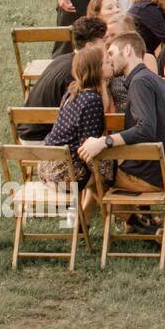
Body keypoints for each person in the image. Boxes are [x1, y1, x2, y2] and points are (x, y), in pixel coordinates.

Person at [78, 32, 165, 233]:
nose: (109, 58)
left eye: (111, 53)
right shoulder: (150, 79)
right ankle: (136, 222)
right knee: (101, 167)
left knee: (89, 174)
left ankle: (138, 224)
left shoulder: (139, 82)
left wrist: (105, 142)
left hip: (155, 173)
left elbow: (145, 129)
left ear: (128, 50)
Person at [37, 46, 113, 220]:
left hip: (46, 166)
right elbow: (87, 147)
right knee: (111, 173)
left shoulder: (73, 91)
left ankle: (83, 221)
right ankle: (135, 220)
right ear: (97, 70)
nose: (110, 62)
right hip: (65, 173)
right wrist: (107, 175)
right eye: (106, 62)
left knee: (102, 173)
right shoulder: (92, 101)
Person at [18, 17, 110, 141]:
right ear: (90, 46)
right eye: (104, 41)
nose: (107, 45)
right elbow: (94, 115)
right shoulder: (76, 74)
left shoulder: (65, 59)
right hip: (39, 138)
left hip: (30, 128)